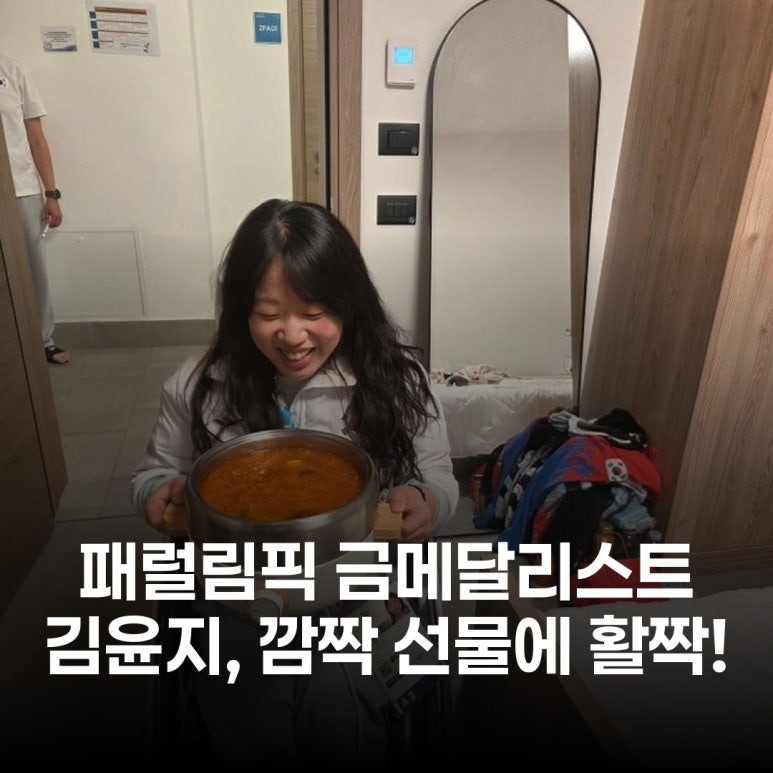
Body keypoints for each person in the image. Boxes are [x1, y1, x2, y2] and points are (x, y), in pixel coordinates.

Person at [131, 198, 459, 766]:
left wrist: (427, 499)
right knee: (245, 704)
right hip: (237, 602)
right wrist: (157, 492)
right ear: (241, 310)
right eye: (268, 314)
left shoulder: (398, 380)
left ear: (349, 303)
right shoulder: (198, 385)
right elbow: (153, 471)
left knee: (338, 706)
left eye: (314, 311)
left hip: (358, 597)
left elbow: (439, 476)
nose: (292, 335)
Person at [0, 54, 69, 365]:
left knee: (33, 269)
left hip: (19, 188)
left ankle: (43, 340)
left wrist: (51, 193)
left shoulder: (11, 70)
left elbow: (35, 136)